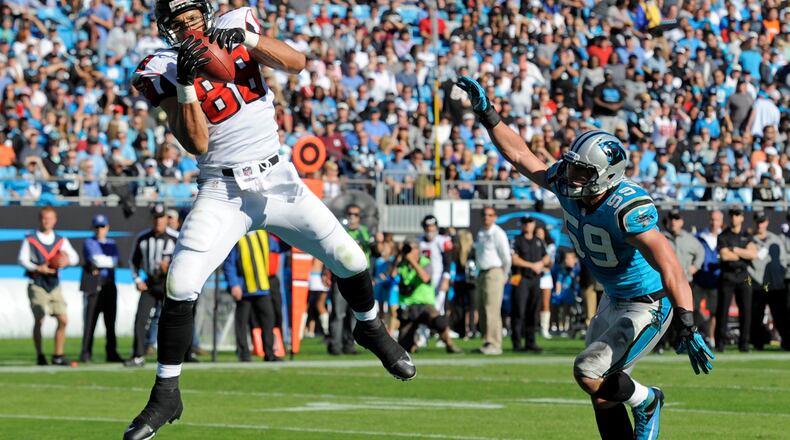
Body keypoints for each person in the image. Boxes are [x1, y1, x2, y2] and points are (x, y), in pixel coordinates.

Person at [125, 2, 414, 437]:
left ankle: (370, 327)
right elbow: (197, 142)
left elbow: (298, 63)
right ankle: (166, 393)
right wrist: (186, 84)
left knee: (350, 258)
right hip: (223, 191)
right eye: (178, 22)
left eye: (193, 17)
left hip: (279, 179)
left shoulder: (236, 24)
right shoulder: (161, 67)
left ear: (205, 12)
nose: (189, 26)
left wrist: (250, 41)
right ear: (167, 29)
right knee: (180, 284)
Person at [457, 75, 713, 440]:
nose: (571, 176)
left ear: (606, 176)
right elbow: (520, 155)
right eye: (573, 166)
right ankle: (642, 403)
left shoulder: (625, 207)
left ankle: (647, 400)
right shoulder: (568, 188)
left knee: (589, 372)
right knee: (600, 394)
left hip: (648, 304)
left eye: (582, 171)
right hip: (613, 298)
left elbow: (668, 262)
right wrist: (489, 115)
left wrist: (686, 317)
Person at [17, 206, 80, 366]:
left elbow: (74, 257)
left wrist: (66, 262)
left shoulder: (60, 240)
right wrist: (38, 268)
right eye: (45, 218)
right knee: (39, 319)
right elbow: (22, 259)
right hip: (37, 283)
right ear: (40, 219)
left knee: (63, 319)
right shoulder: (31, 239)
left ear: (55, 220)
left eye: (50, 218)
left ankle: (58, 355)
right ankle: (40, 354)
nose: (47, 221)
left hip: (54, 284)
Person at [125, 205, 178, 368]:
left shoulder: (175, 238)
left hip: (167, 283)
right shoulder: (142, 238)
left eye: (161, 217)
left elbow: (184, 263)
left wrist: (169, 268)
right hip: (149, 283)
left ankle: (173, 355)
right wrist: (137, 280)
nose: (158, 221)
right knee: (140, 319)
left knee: (170, 320)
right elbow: (133, 262)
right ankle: (138, 355)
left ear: (166, 219)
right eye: (155, 217)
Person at [393, 240, 462, 354]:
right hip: (408, 306)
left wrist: (413, 262)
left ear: (418, 250)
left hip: (425, 304)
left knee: (439, 321)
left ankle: (450, 344)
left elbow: (425, 278)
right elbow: (391, 274)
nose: (410, 252)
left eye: (412, 249)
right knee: (404, 347)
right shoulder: (402, 264)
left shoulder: (426, 262)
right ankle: (413, 345)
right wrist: (398, 256)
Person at [222, 230, 281, 362]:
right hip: (244, 289)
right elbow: (229, 264)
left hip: (262, 288)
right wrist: (234, 284)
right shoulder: (237, 237)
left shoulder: (264, 234)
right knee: (242, 322)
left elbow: (278, 247)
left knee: (268, 320)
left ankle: (269, 353)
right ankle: (244, 354)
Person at [79, 214, 123, 363]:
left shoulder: (112, 243)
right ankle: (85, 352)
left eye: (102, 226)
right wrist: (107, 261)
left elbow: (115, 261)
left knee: (110, 322)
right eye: (97, 227)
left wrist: (104, 262)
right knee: (90, 320)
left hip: (109, 284)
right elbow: (97, 260)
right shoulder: (89, 242)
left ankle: (111, 352)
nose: (99, 230)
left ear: (108, 228)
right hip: (94, 284)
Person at [716, 207, 757, 353]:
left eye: (737, 215)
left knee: (746, 310)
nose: (734, 217)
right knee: (722, 310)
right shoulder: (723, 235)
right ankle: (720, 343)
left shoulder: (747, 235)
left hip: (744, 276)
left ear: (742, 217)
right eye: (732, 214)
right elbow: (725, 256)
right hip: (727, 274)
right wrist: (742, 253)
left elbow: (753, 254)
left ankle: (744, 343)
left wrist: (735, 250)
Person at [747, 212, 789, 351]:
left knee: (780, 316)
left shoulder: (776, 239)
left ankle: (787, 341)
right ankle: (757, 342)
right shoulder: (750, 241)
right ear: (755, 222)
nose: (760, 224)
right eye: (758, 222)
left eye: (762, 221)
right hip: (758, 284)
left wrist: (780, 277)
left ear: (767, 222)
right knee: (756, 316)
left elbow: (784, 261)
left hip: (776, 285)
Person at [474, 207, 511, 355]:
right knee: (482, 308)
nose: (486, 218)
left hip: (494, 272)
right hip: (482, 272)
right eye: (484, 215)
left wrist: (504, 274)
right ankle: (486, 341)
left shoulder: (498, 233)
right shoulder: (481, 232)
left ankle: (495, 343)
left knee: (492, 309)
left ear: (494, 217)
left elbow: (506, 257)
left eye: (489, 215)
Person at [510, 216, 547, 352]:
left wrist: (541, 263)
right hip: (520, 278)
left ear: (534, 224)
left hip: (535, 279)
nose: (527, 225)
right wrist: (532, 265)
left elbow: (546, 256)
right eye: (525, 223)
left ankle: (530, 341)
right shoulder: (517, 240)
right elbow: (514, 259)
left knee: (533, 310)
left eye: (529, 222)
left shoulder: (538, 241)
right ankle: (517, 342)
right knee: (519, 310)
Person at [693, 211, 723, 345]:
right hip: (699, 279)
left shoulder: (724, 237)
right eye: (712, 219)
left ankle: (711, 338)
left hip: (716, 280)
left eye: (717, 220)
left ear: (721, 221)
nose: (714, 222)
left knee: (714, 312)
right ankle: (694, 337)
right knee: (693, 309)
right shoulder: (699, 236)